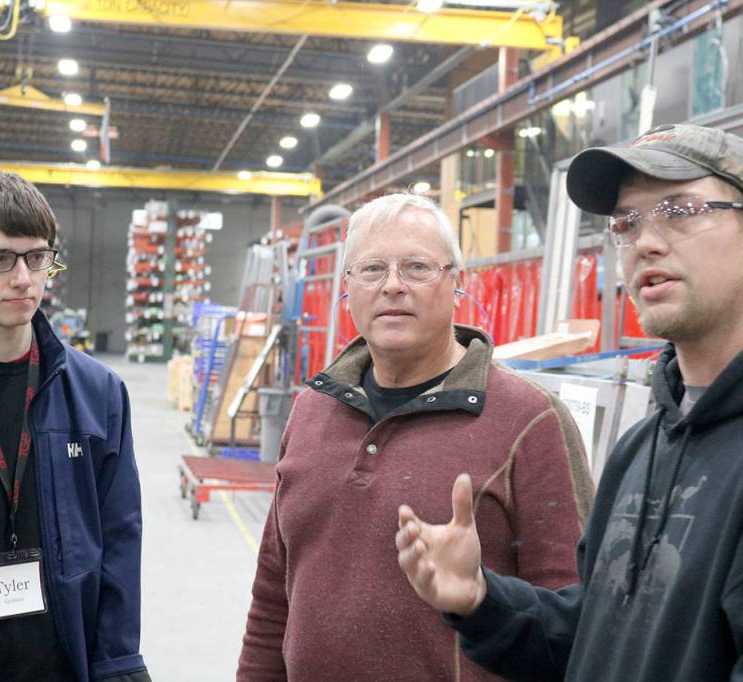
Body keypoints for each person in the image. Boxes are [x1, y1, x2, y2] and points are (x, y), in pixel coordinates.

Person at [396, 124, 743, 681]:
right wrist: (481, 600)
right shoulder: (646, 443)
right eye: (627, 222)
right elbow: (601, 639)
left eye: (679, 210)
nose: (647, 241)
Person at [236, 193, 595, 681]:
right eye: (372, 269)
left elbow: (577, 620)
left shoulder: (529, 420)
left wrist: (479, 592)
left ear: (457, 284)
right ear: (347, 288)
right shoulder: (312, 411)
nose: (392, 286)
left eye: (417, 267)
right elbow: (273, 597)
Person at [0, 169, 150, 681]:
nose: (23, 278)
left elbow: (119, 538)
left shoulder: (97, 393)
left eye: (37, 257)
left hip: (54, 666)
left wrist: (118, 663)